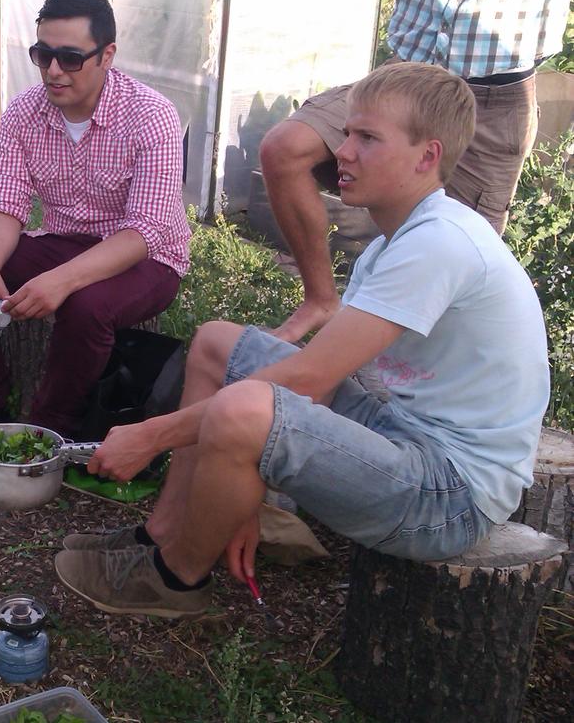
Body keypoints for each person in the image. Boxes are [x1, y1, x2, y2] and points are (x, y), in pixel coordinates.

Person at [55, 62, 549, 618]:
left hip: (450, 497)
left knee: (245, 407)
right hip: (405, 435)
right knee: (219, 344)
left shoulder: (440, 244)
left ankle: (175, 579)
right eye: (347, 134)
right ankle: (163, 532)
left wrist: (151, 436)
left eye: (367, 139)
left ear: (427, 156)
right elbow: (320, 380)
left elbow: (307, 379)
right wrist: (243, 474)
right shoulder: (395, 244)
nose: (343, 152)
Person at [0, 0, 190, 455]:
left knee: (86, 305)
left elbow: (144, 231)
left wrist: (61, 282)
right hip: (63, 240)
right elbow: (6, 202)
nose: (53, 71)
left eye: (70, 58)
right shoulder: (24, 112)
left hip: (147, 260)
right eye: (42, 54)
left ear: (107, 55)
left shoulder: (152, 116)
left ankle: (52, 426)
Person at [260, 0, 574, 343]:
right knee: (286, 148)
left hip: (492, 97)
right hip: (402, 80)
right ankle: (322, 301)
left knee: (458, 257)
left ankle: (404, 374)